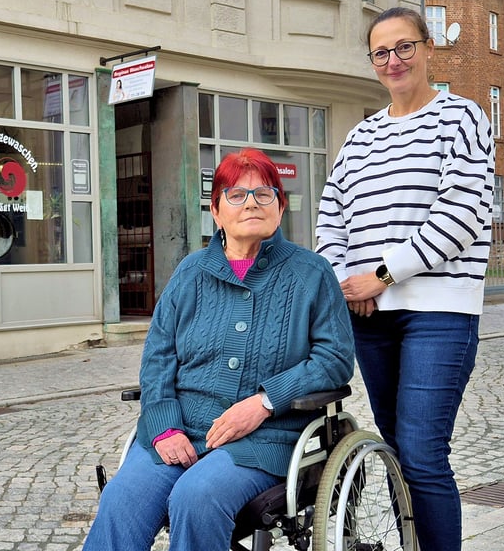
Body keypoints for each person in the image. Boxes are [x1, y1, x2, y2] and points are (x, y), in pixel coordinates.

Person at [84, 148, 354, 551]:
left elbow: (333, 361)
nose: (251, 203)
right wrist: (164, 427)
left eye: (264, 194)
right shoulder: (190, 273)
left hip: (265, 438)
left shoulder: (311, 273)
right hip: (181, 430)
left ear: (280, 207)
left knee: (196, 497)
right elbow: (158, 357)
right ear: (216, 210)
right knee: (121, 500)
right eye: (237, 194)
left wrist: (264, 402)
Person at [315, 7, 495, 551]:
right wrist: (351, 280)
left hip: (439, 311)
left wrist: (383, 274)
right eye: (381, 52)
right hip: (372, 316)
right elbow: (331, 217)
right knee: (396, 451)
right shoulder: (360, 137)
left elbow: (461, 214)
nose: (393, 60)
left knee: (421, 451)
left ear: (428, 48)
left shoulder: (462, 118)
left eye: (404, 47)